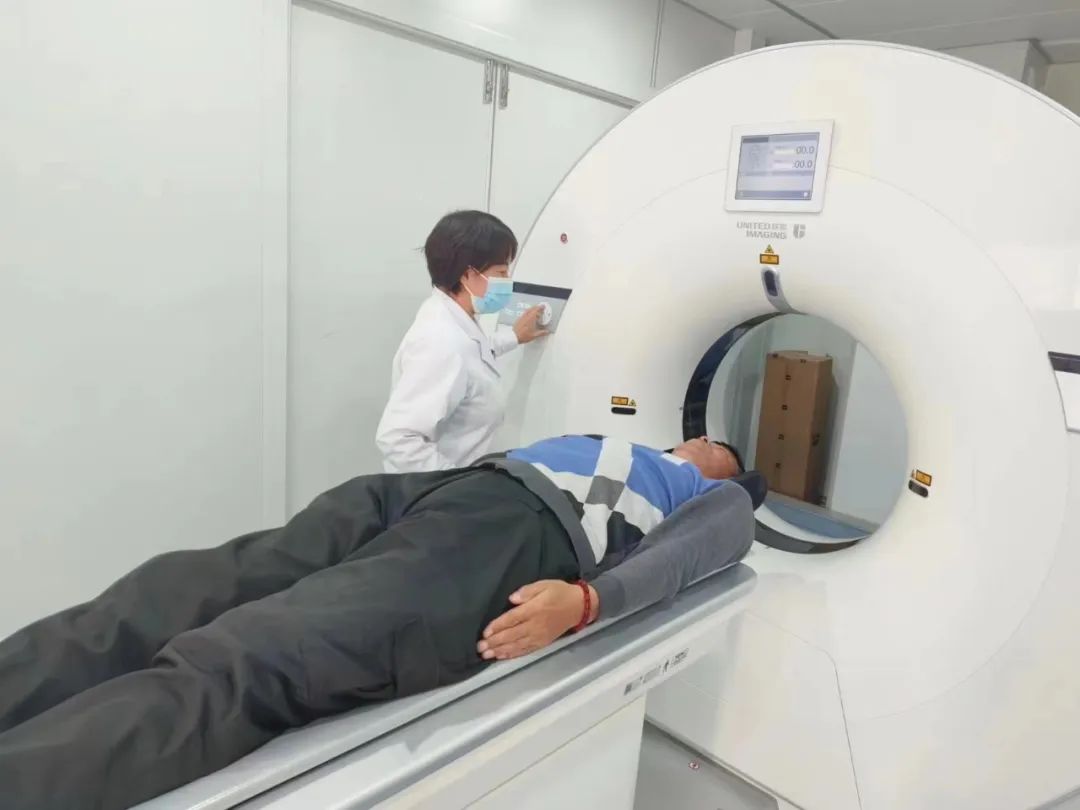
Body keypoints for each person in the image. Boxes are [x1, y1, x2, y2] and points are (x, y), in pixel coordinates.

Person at [0, 434, 759, 810]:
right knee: (172, 593)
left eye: (713, 449)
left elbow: (699, 552)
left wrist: (588, 602)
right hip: (443, 489)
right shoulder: (614, 438)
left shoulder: (707, 495)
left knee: (252, 657)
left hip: (520, 533)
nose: (696, 445)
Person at [376, 210, 549, 473]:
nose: (508, 281)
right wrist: (456, 484)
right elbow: (399, 440)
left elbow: (473, 355)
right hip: (440, 490)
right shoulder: (440, 341)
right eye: (501, 271)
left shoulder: (453, 319)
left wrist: (514, 337)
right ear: (468, 275)